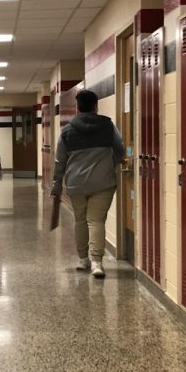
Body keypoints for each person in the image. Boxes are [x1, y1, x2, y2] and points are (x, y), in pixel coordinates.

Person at [50, 89, 125, 278]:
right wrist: (109, 163)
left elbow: (60, 161)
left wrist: (56, 185)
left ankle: (83, 260)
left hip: (76, 184)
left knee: (80, 220)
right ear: (95, 106)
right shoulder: (108, 126)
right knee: (96, 221)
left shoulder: (67, 131)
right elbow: (120, 150)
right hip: (103, 183)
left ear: (78, 107)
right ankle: (97, 263)